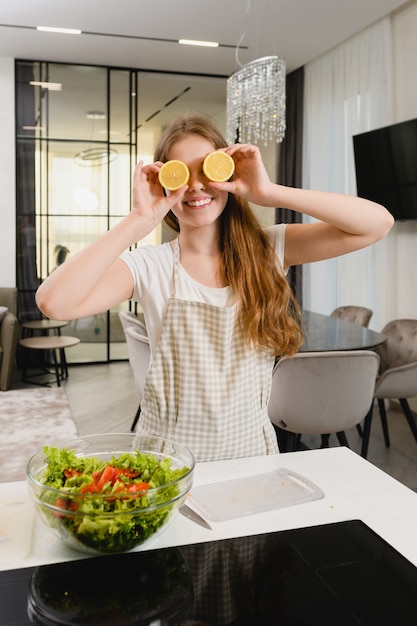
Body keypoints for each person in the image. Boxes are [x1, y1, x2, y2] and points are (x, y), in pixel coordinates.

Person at [35, 113, 393, 461]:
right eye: (180, 175)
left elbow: (377, 224)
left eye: (206, 169)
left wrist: (269, 192)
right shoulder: (150, 265)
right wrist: (139, 219)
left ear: (227, 172)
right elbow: (55, 303)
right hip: (170, 465)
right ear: (163, 184)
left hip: (251, 456)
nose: (194, 186)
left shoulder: (269, 250)